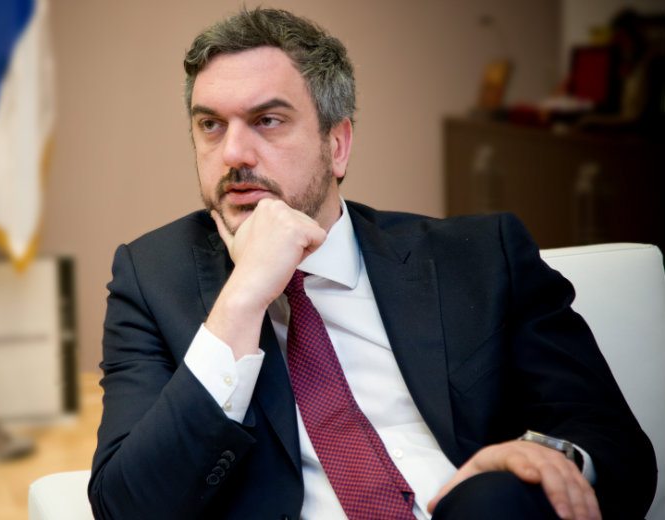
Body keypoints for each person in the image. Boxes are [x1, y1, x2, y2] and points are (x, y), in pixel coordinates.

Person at [88, 8, 656, 520]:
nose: (233, 153)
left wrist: (538, 461)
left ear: (337, 145)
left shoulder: (481, 257)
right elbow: (126, 506)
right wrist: (242, 299)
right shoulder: (151, 279)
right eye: (210, 125)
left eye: (268, 120)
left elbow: (615, 445)